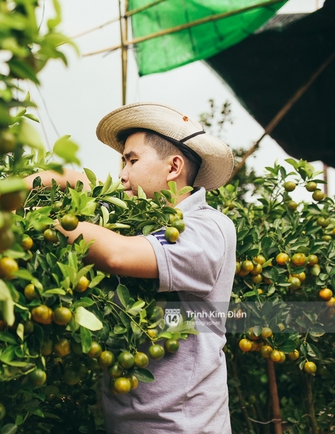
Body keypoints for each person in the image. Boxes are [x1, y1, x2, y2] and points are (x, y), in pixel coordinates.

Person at [24, 102, 236, 433]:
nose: (122, 174)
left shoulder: (208, 228)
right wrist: (21, 188)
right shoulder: (141, 225)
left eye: (132, 160)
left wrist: (38, 221)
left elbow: (117, 255)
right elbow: (78, 181)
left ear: (173, 167)